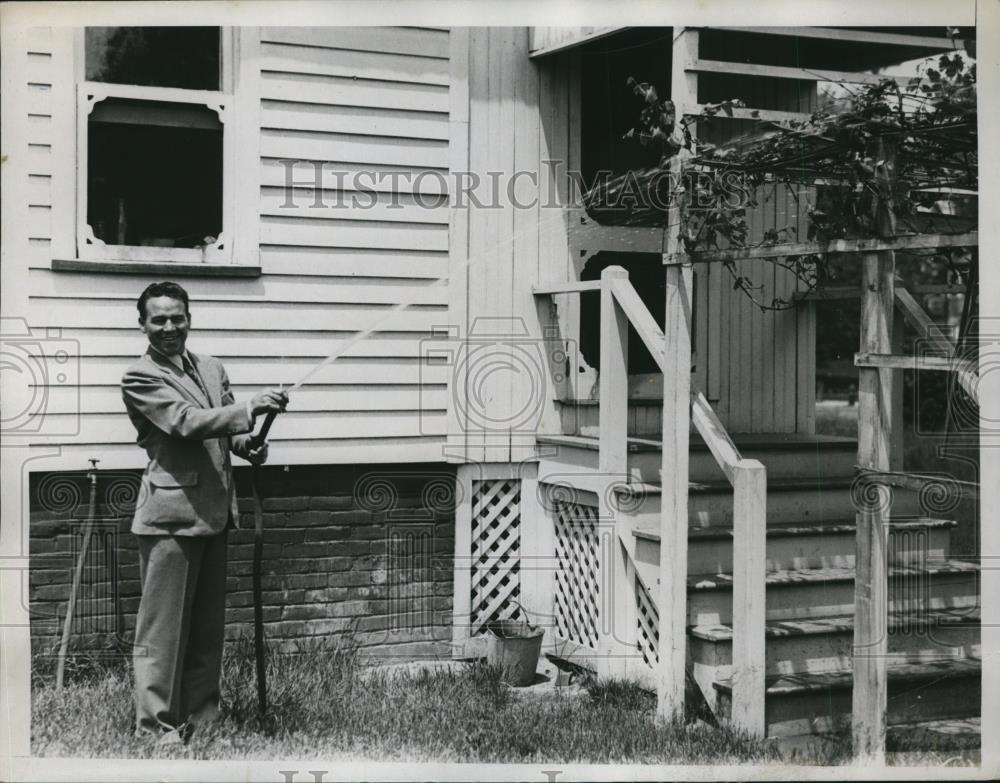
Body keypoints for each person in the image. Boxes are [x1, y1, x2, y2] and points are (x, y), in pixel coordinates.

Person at [121, 281, 288, 744]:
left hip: (215, 513)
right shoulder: (139, 377)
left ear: (189, 319)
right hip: (170, 517)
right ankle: (156, 728)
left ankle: (202, 717)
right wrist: (247, 408)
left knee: (205, 630)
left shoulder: (212, 368)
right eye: (159, 319)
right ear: (143, 325)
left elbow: (225, 435)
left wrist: (249, 442)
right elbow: (185, 423)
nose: (170, 327)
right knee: (163, 634)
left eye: (178, 317)